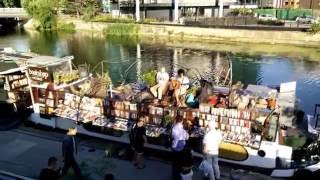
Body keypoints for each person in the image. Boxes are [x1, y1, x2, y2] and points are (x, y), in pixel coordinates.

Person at [171, 115, 189, 179]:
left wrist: (174, 146)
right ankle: (179, 175)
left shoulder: (174, 127)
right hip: (182, 145)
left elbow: (175, 137)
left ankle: (175, 175)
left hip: (176, 145)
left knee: (175, 162)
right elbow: (187, 137)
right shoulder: (182, 128)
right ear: (181, 120)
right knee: (180, 161)